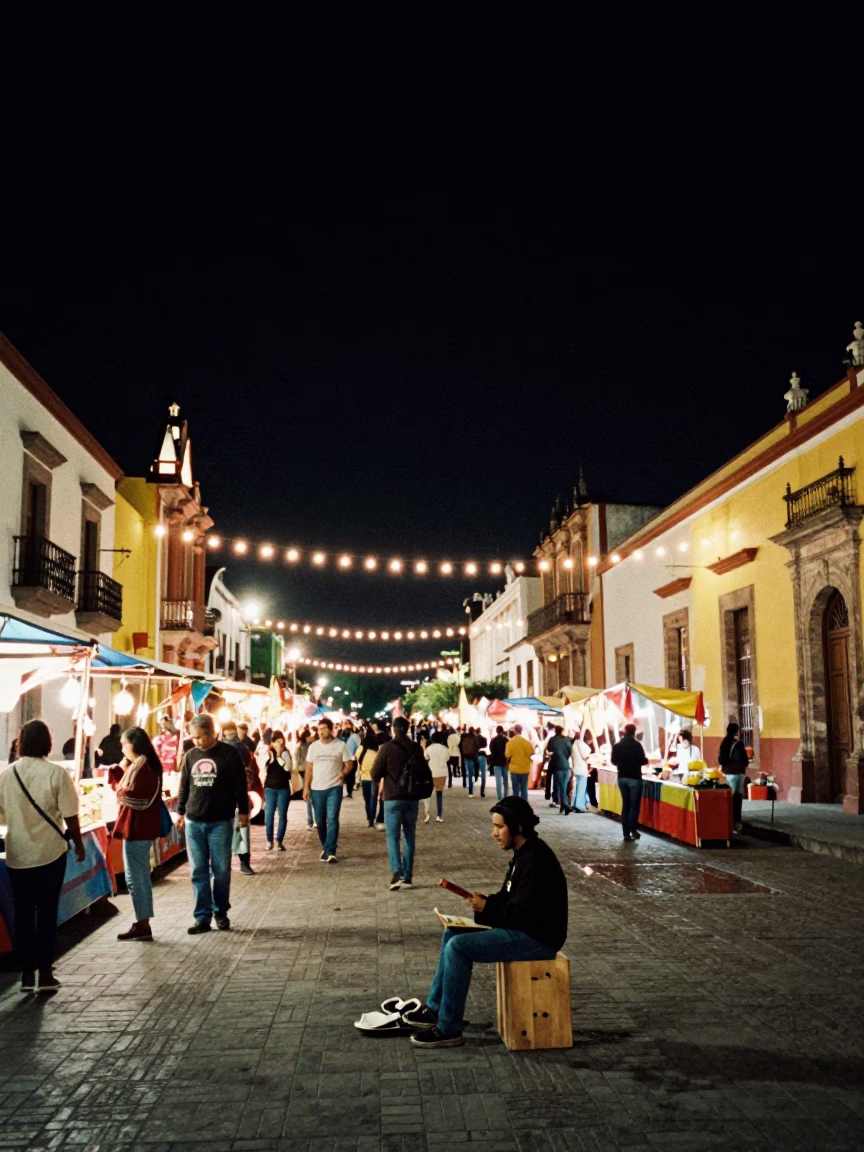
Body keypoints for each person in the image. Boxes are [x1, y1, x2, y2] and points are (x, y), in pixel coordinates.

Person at [404, 796, 568, 1048]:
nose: (494, 833)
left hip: (538, 939)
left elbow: (524, 914)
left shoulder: (536, 859)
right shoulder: (523, 854)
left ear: (519, 827)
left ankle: (448, 1028)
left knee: (458, 948)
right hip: (526, 930)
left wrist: (487, 907)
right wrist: (485, 902)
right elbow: (511, 899)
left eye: (499, 826)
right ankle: (435, 1010)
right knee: (451, 935)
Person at [0, 720, 85, 991]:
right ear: (48, 742)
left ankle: (27, 974)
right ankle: (46, 973)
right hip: (50, 853)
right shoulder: (56, 773)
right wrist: (79, 845)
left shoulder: (6, 775)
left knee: (23, 914)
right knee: (47, 913)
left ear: (21, 742)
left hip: (17, 855)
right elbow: (70, 814)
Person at [177, 713, 249, 933]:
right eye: (193, 737)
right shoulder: (190, 756)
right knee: (198, 870)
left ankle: (221, 913)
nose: (196, 741)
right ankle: (202, 917)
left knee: (221, 870)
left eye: (199, 737)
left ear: (211, 734)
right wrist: (180, 812)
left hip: (221, 821)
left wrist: (244, 812)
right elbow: (184, 786)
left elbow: (240, 784)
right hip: (193, 821)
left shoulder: (229, 754)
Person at [110, 727, 163, 942]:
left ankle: (143, 923)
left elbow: (131, 793)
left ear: (135, 744)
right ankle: (142, 921)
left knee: (136, 877)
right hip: (137, 826)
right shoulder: (139, 766)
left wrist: (119, 789)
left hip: (138, 827)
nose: (122, 748)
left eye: (125, 744)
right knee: (137, 876)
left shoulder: (143, 768)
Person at [372, 716, 423, 890]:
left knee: (392, 836)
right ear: (407, 728)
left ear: (394, 729)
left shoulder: (387, 748)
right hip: (412, 798)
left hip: (392, 797)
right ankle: (407, 877)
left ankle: (397, 873)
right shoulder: (416, 748)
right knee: (409, 836)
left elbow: (374, 774)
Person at [303, 717, 352, 863]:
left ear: (330, 730)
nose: (321, 731)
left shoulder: (340, 745)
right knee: (320, 820)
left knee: (332, 818)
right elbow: (309, 768)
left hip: (334, 787)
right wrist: (306, 787)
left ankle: (331, 850)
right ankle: (325, 847)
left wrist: (342, 774)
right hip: (316, 788)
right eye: (319, 729)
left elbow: (348, 764)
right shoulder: (313, 747)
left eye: (324, 728)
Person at [221, 719, 259, 875]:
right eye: (226, 730)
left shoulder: (241, 747)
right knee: (223, 832)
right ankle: (224, 863)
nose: (229, 733)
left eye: (231, 730)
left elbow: (247, 771)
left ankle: (244, 862)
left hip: (238, 794)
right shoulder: (218, 748)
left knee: (242, 830)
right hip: (222, 797)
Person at [611, 723, 648, 842]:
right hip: (635, 778)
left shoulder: (617, 745)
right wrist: (645, 760)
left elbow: (613, 761)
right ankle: (633, 829)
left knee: (626, 805)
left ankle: (626, 833)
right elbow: (643, 760)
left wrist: (621, 764)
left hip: (622, 777)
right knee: (634, 805)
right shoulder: (637, 745)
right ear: (634, 732)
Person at [263, 730, 292, 851]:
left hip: (283, 789)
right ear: (272, 743)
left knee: (282, 815)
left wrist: (279, 756)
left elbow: (287, 768)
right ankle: (269, 841)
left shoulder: (286, 753)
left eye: (281, 741)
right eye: (276, 742)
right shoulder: (268, 753)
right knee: (268, 815)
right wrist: (270, 757)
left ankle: (278, 841)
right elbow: (262, 767)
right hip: (269, 788)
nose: (279, 744)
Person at [718, 722, 749, 832]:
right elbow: (745, 760)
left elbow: (721, 760)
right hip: (739, 774)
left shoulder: (724, 743)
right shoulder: (739, 744)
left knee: (729, 799)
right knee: (738, 799)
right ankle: (737, 822)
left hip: (729, 774)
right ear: (736, 731)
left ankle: (729, 823)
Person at [545, 725, 573, 814]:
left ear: (555, 731)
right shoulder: (567, 740)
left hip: (557, 766)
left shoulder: (552, 739)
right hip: (566, 766)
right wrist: (565, 757)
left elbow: (549, 749)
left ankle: (565, 805)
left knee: (561, 787)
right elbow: (570, 752)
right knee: (563, 787)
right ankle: (563, 805)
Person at [358, 728, 380, 828]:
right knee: (373, 799)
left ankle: (369, 817)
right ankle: (372, 818)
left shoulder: (362, 752)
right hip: (374, 779)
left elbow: (356, 759)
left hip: (364, 778)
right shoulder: (376, 753)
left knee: (367, 799)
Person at [423, 735, 449, 823]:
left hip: (431, 772)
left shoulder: (429, 748)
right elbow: (447, 758)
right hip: (442, 773)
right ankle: (439, 815)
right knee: (439, 795)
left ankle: (427, 813)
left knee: (427, 794)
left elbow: (425, 757)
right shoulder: (445, 749)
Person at [505, 724, 533, 801]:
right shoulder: (526, 742)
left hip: (514, 769)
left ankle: (516, 805)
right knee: (524, 788)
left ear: (515, 731)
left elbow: (507, 754)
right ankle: (524, 805)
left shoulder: (510, 742)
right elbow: (531, 752)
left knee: (515, 789)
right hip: (525, 768)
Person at [295, 727, 314, 829]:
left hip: (301, 770)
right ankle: (313, 820)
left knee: (307, 796)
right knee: (311, 796)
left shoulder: (300, 746)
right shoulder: (310, 746)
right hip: (309, 770)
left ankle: (310, 821)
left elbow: (297, 759)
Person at [569, 729, 591, 812]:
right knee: (581, 788)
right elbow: (585, 757)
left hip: (576, 769)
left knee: (579, 787)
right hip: (582, 769)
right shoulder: (581, 745)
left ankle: (579, 803)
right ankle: (579, 806)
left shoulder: (573, 745)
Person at [488, 725, 509, 800]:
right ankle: (506, 795)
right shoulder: (506, 739)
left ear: (496, 731)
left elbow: (491, 750)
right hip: (505, 762)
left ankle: (499, 796)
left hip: (496, 763)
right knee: (505, 780)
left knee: (498, 780)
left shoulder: (493, 740)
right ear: (502, 731)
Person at [341, 721, 360, 797]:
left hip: (348, 759)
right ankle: (349, 791)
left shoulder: (353, 737)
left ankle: (347, 791)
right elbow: (359, 746)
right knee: (350, 776)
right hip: (349, 758)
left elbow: (359, 747)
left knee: (347, 776)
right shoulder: (354, 736)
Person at [460, 727, 479, 795]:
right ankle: (470, 790)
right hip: (472, 757)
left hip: (465, 756)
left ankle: (466, 784)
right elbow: (477, 746)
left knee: (467, 772)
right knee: (471, 773)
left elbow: (460, 746)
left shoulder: (464, 736)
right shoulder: (475, 737)